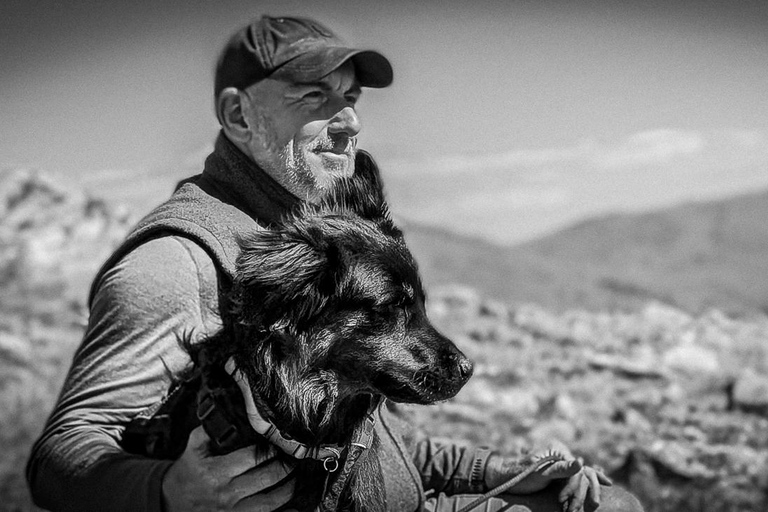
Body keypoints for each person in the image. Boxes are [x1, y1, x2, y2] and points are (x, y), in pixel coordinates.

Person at [26, 15, 643, 512]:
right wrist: (167, 493)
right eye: (315, 97)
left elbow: (366, 440)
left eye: (350, 98)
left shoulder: (320, 237)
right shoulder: (178, 261)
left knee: (609, 504)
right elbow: (61, 454)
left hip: (389, 496)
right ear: (240, 115)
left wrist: (496, 469)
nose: (349, 123)